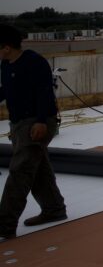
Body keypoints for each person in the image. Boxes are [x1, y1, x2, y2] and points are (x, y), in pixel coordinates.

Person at [0, 24, 66, 241]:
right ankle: (54, 209)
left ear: (6, 47)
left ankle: (4, 225)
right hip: (19, 124)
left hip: (37, 123)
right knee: (37, 169)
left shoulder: (34, 62)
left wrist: (40, 122)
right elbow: (7, 90)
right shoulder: (6, 65)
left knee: (20, 172)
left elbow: (44, 93)